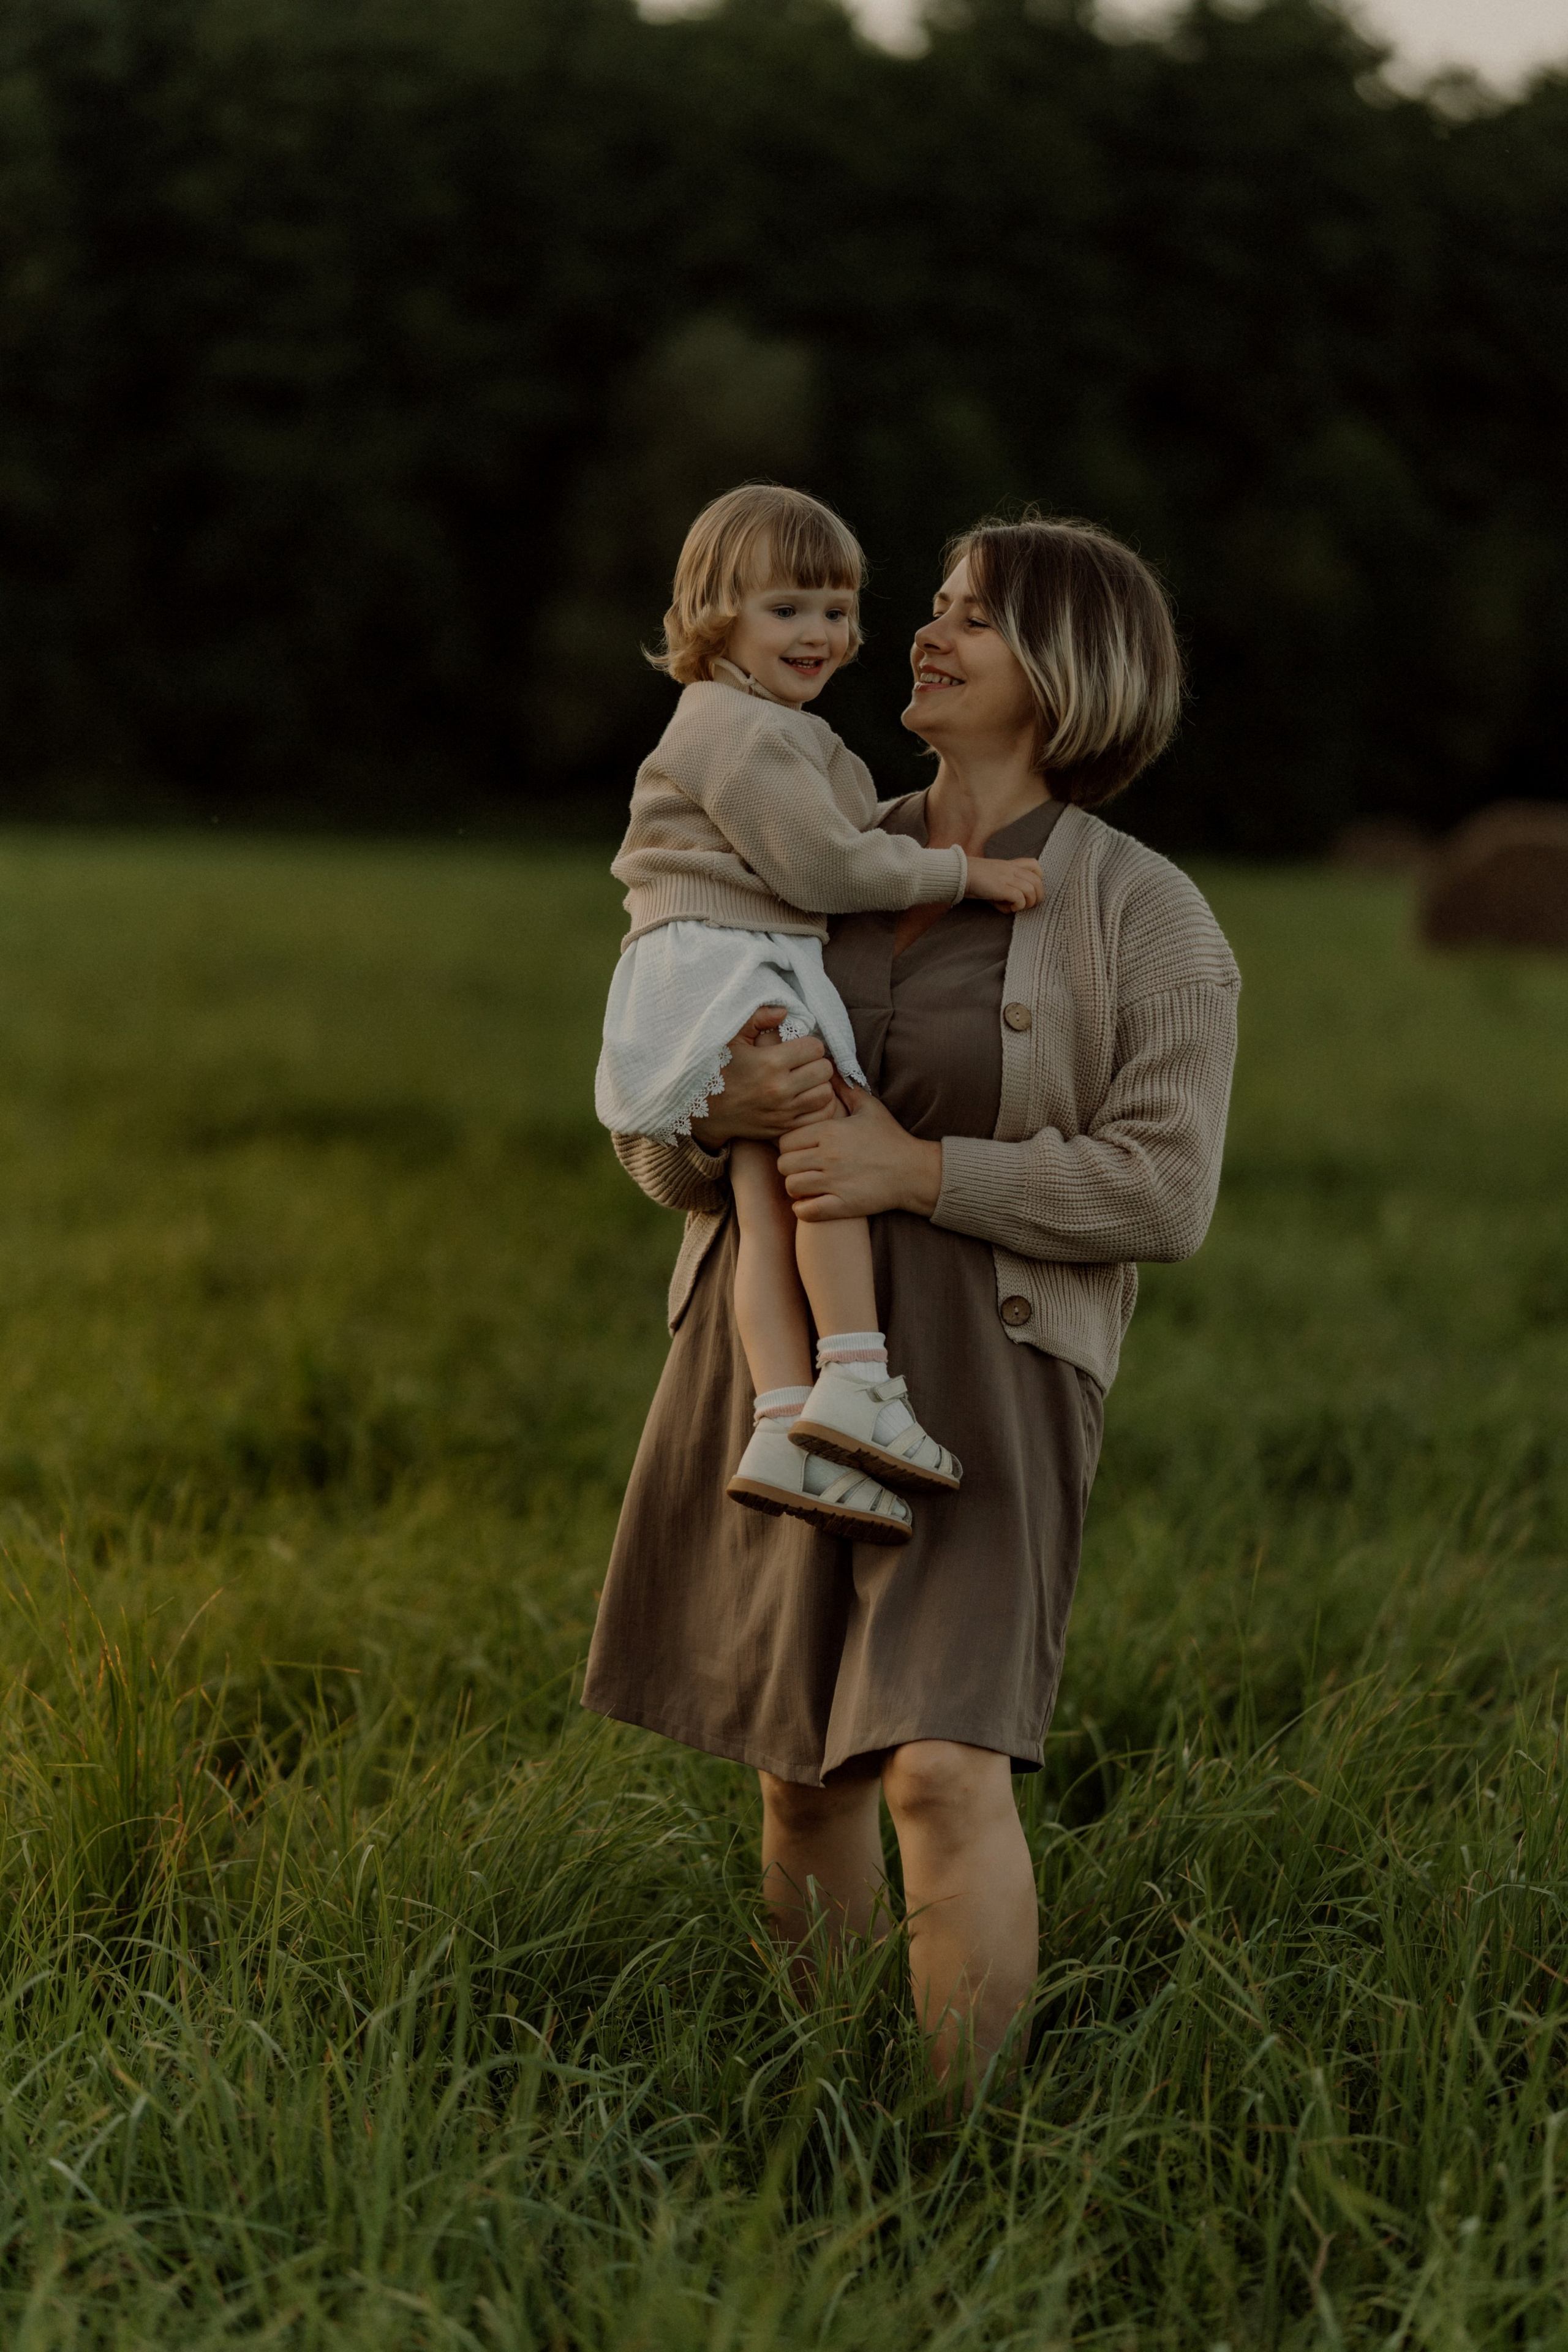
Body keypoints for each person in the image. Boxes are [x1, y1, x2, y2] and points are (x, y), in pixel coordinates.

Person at [585, 512, 1241, 2090]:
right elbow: (650, 1101)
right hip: (779, 1370)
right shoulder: (802, 839)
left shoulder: (1142, 916)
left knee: (941, 1770)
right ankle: (822, 2115)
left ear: (1068, 674)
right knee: (797, 1775)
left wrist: (918, 1174)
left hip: (987, 1374)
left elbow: (1165, 1191)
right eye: (931, 608)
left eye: (972, 621)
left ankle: (962, 2160)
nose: (921, 638)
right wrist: (703, 1128)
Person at [595, 483, 1048, 1544]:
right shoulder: (739, 730)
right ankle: (854, 1371)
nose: (823, 633)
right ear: (715, 614)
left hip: (701, 964)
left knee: (768, 1196)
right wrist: (960, 875)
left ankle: (781, 1416)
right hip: (732, 965)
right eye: (789, 608)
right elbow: (825, 861)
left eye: (839, 610)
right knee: (828, 1143)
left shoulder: (772, 729)